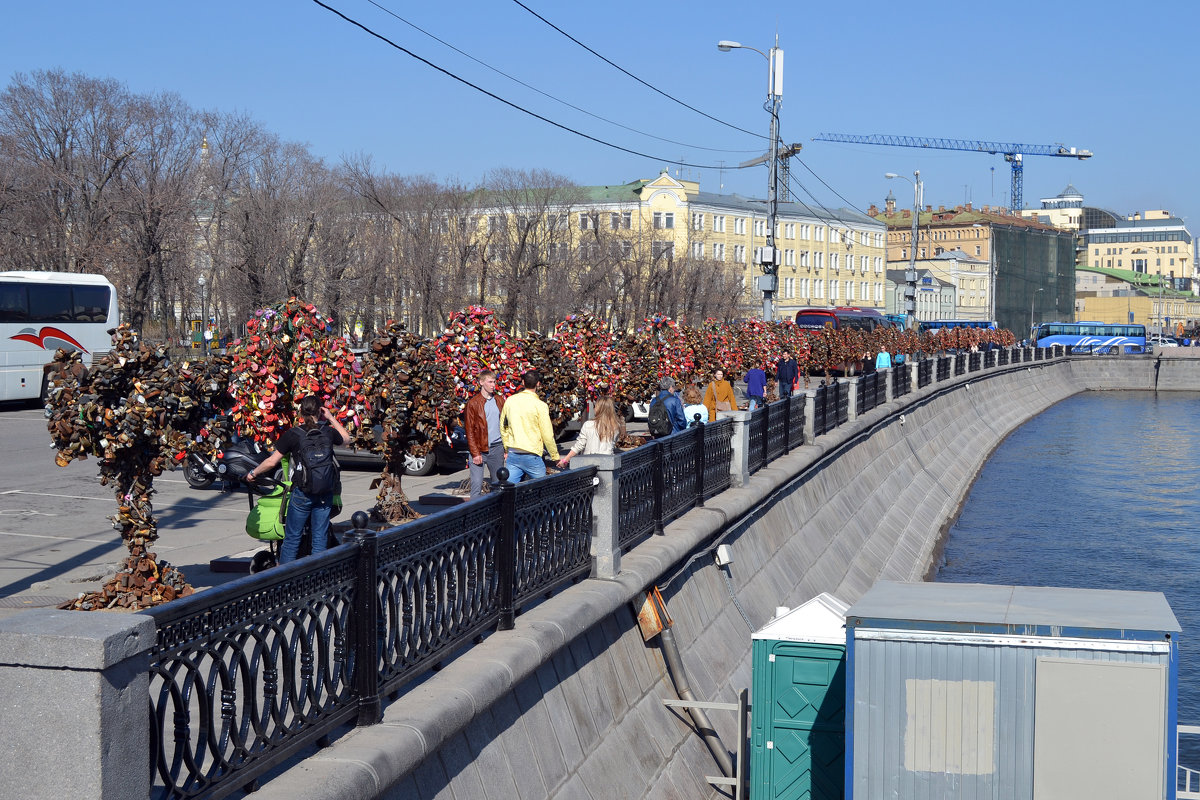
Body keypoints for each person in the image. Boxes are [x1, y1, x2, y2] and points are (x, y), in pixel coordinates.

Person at [247, 395, 350, 564]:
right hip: (325, 492)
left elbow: (272, 461)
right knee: (319, 538)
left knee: (292, 538)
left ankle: (287, 580)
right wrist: (331, 417)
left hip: (302, 493)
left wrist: (253, 473)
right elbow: (346, 439)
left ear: (300, 412)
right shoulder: (327, 431)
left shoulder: (293, 434)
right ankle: (318, 577)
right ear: (320, 412)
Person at [499, 370, 560, 482]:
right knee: (541, 490)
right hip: (532, 454)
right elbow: (547, 434)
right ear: (538, 384)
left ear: (523, 382)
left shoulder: (510, 401)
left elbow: (504, 427)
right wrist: (555, 457)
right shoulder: (540, 405)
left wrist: (507, 448)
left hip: (514, 453)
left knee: (510, 489)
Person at [465, 370, 505, 500]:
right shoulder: (473, 403)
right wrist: (475, 453)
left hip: (497, 448)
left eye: (494, 382)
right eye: (490, 382)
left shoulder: (499, 400)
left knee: (498, 484)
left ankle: (497, 514)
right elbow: (469, 430)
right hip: (479, 449)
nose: (493, 385)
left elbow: (506, 425)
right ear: (481, 382)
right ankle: (475, 516)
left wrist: (506, 449)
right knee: (476, 485)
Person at [557, 396, 620, 467]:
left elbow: (579, 446)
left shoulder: (588, 425)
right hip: (608, 462)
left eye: (595, 407)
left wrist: (566, 459)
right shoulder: (615, 426)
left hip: (589, 462)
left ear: (599, 409)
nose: (594, 409)